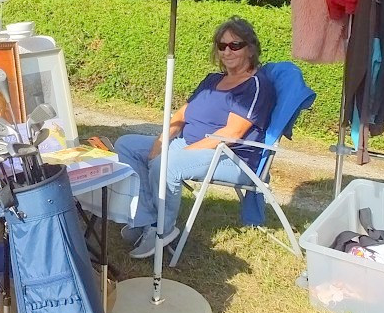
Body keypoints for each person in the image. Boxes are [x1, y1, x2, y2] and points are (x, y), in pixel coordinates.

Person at [115, 17, 276, 259]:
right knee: (125, 145)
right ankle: (147, 219)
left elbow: (231, 134)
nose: (227, 51)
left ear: (250, 48)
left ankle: (162, 229)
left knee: (165, 164)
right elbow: (182, 114)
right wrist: (161, 141)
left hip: (230, 157)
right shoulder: (212, 80)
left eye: (235, 45)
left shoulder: (254, 86)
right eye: (222, 46)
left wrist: (177, 154)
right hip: (189, 143)